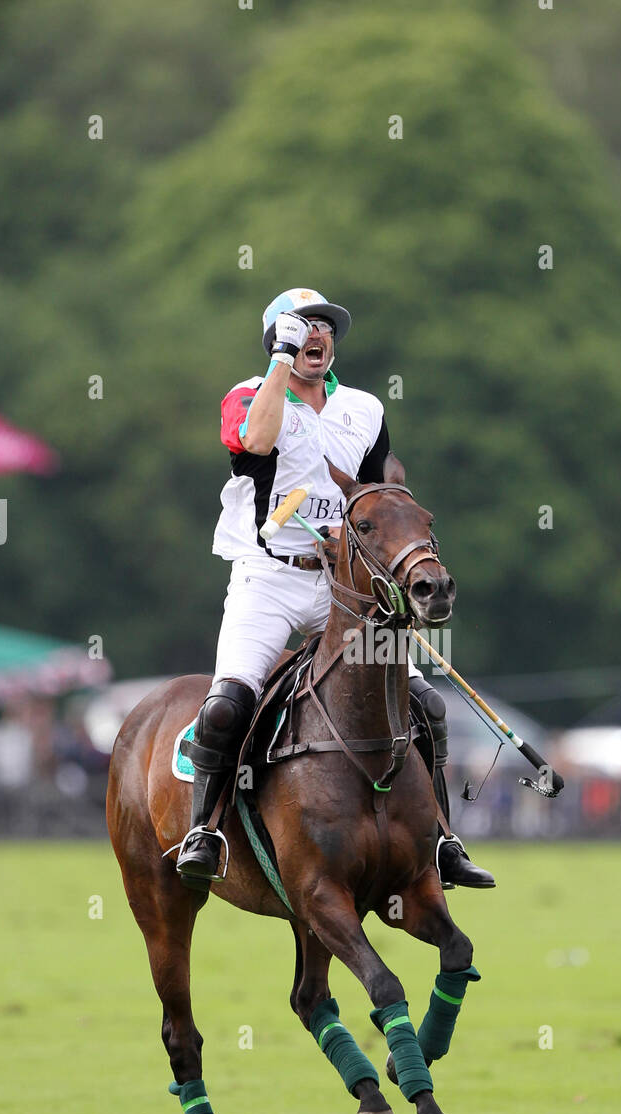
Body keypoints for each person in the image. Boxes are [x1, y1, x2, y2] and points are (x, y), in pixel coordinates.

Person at [176, 287, 494, 891]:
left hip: (340, 591)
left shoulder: (365, 409)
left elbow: (378, 498)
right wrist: (279, 364)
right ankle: (206, 831)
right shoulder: (248, 395)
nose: (315, 334)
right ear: (277, 339)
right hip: (267, 579)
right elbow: (259, 442)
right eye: (300, 327)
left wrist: (382, 558)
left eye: (323, 325)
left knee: (424, 705)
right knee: (225, 706)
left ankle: (443, 843)